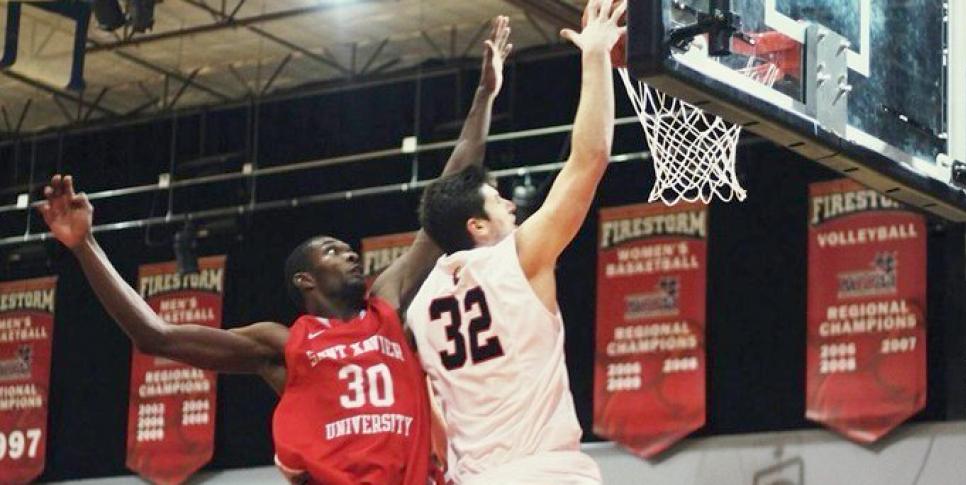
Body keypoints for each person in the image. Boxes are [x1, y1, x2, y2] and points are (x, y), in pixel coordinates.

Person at [37, 16, 514, 485]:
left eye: (348, 250)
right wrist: (86, 246)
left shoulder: (386, 304)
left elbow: (448, 194)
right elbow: (154, 335)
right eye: (332, 251)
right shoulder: (282, 345)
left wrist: (484, 96)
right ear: (304, 280)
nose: (349, 254)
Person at [406, 1, 625, 483]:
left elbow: (432, 418)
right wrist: (595, 55)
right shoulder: (519, 258)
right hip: (547, 472)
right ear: (476, 227)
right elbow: (589, 159)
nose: (510, 206)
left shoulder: (419, 309)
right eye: (497, 200)